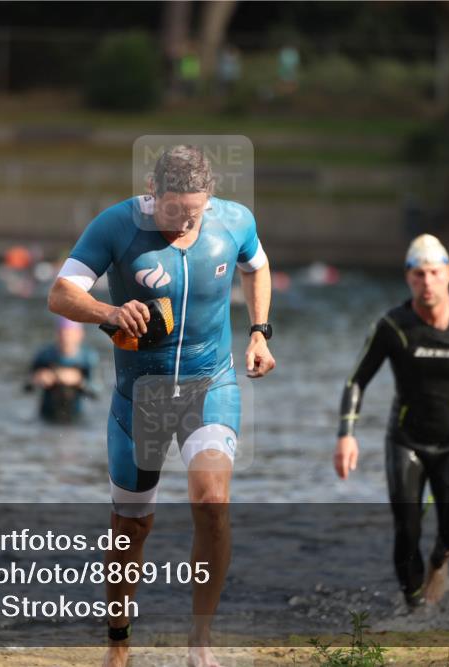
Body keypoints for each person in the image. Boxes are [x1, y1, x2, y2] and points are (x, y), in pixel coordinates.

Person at [48, 145, 275, 667]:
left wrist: (260, 333)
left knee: (211, 501)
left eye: (194, 211)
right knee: (131, 524)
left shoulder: (235, 222)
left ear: (210, 199)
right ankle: (119, 641)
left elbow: (258, 268)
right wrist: (108, 308)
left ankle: (200, 643)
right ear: (154, 192)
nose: (182, 222)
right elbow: (60, 295)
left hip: (210, 384)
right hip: (140, 395)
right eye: (174, 210)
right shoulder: (116, 227)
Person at [333, 234, 449, 608]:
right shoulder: (394, 326)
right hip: (406, 442)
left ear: (448, 273)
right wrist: (346, 436)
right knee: (407, 529)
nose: (427, 282)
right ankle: (414, 607)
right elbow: (357, 379)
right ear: (408, 279)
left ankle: (439, 562)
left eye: (434, 273)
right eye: (419, 274)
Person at [28, 317, 99, 423]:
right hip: (46, 416)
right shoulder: (44, 355)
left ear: (80, 334)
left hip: (75, 417)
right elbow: (26, 387)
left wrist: (79, 381)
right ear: (57, 334)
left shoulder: (88, 358)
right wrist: (37, 379)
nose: (66, 338)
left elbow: (97, 393)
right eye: (62, 333)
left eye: (70, 334)